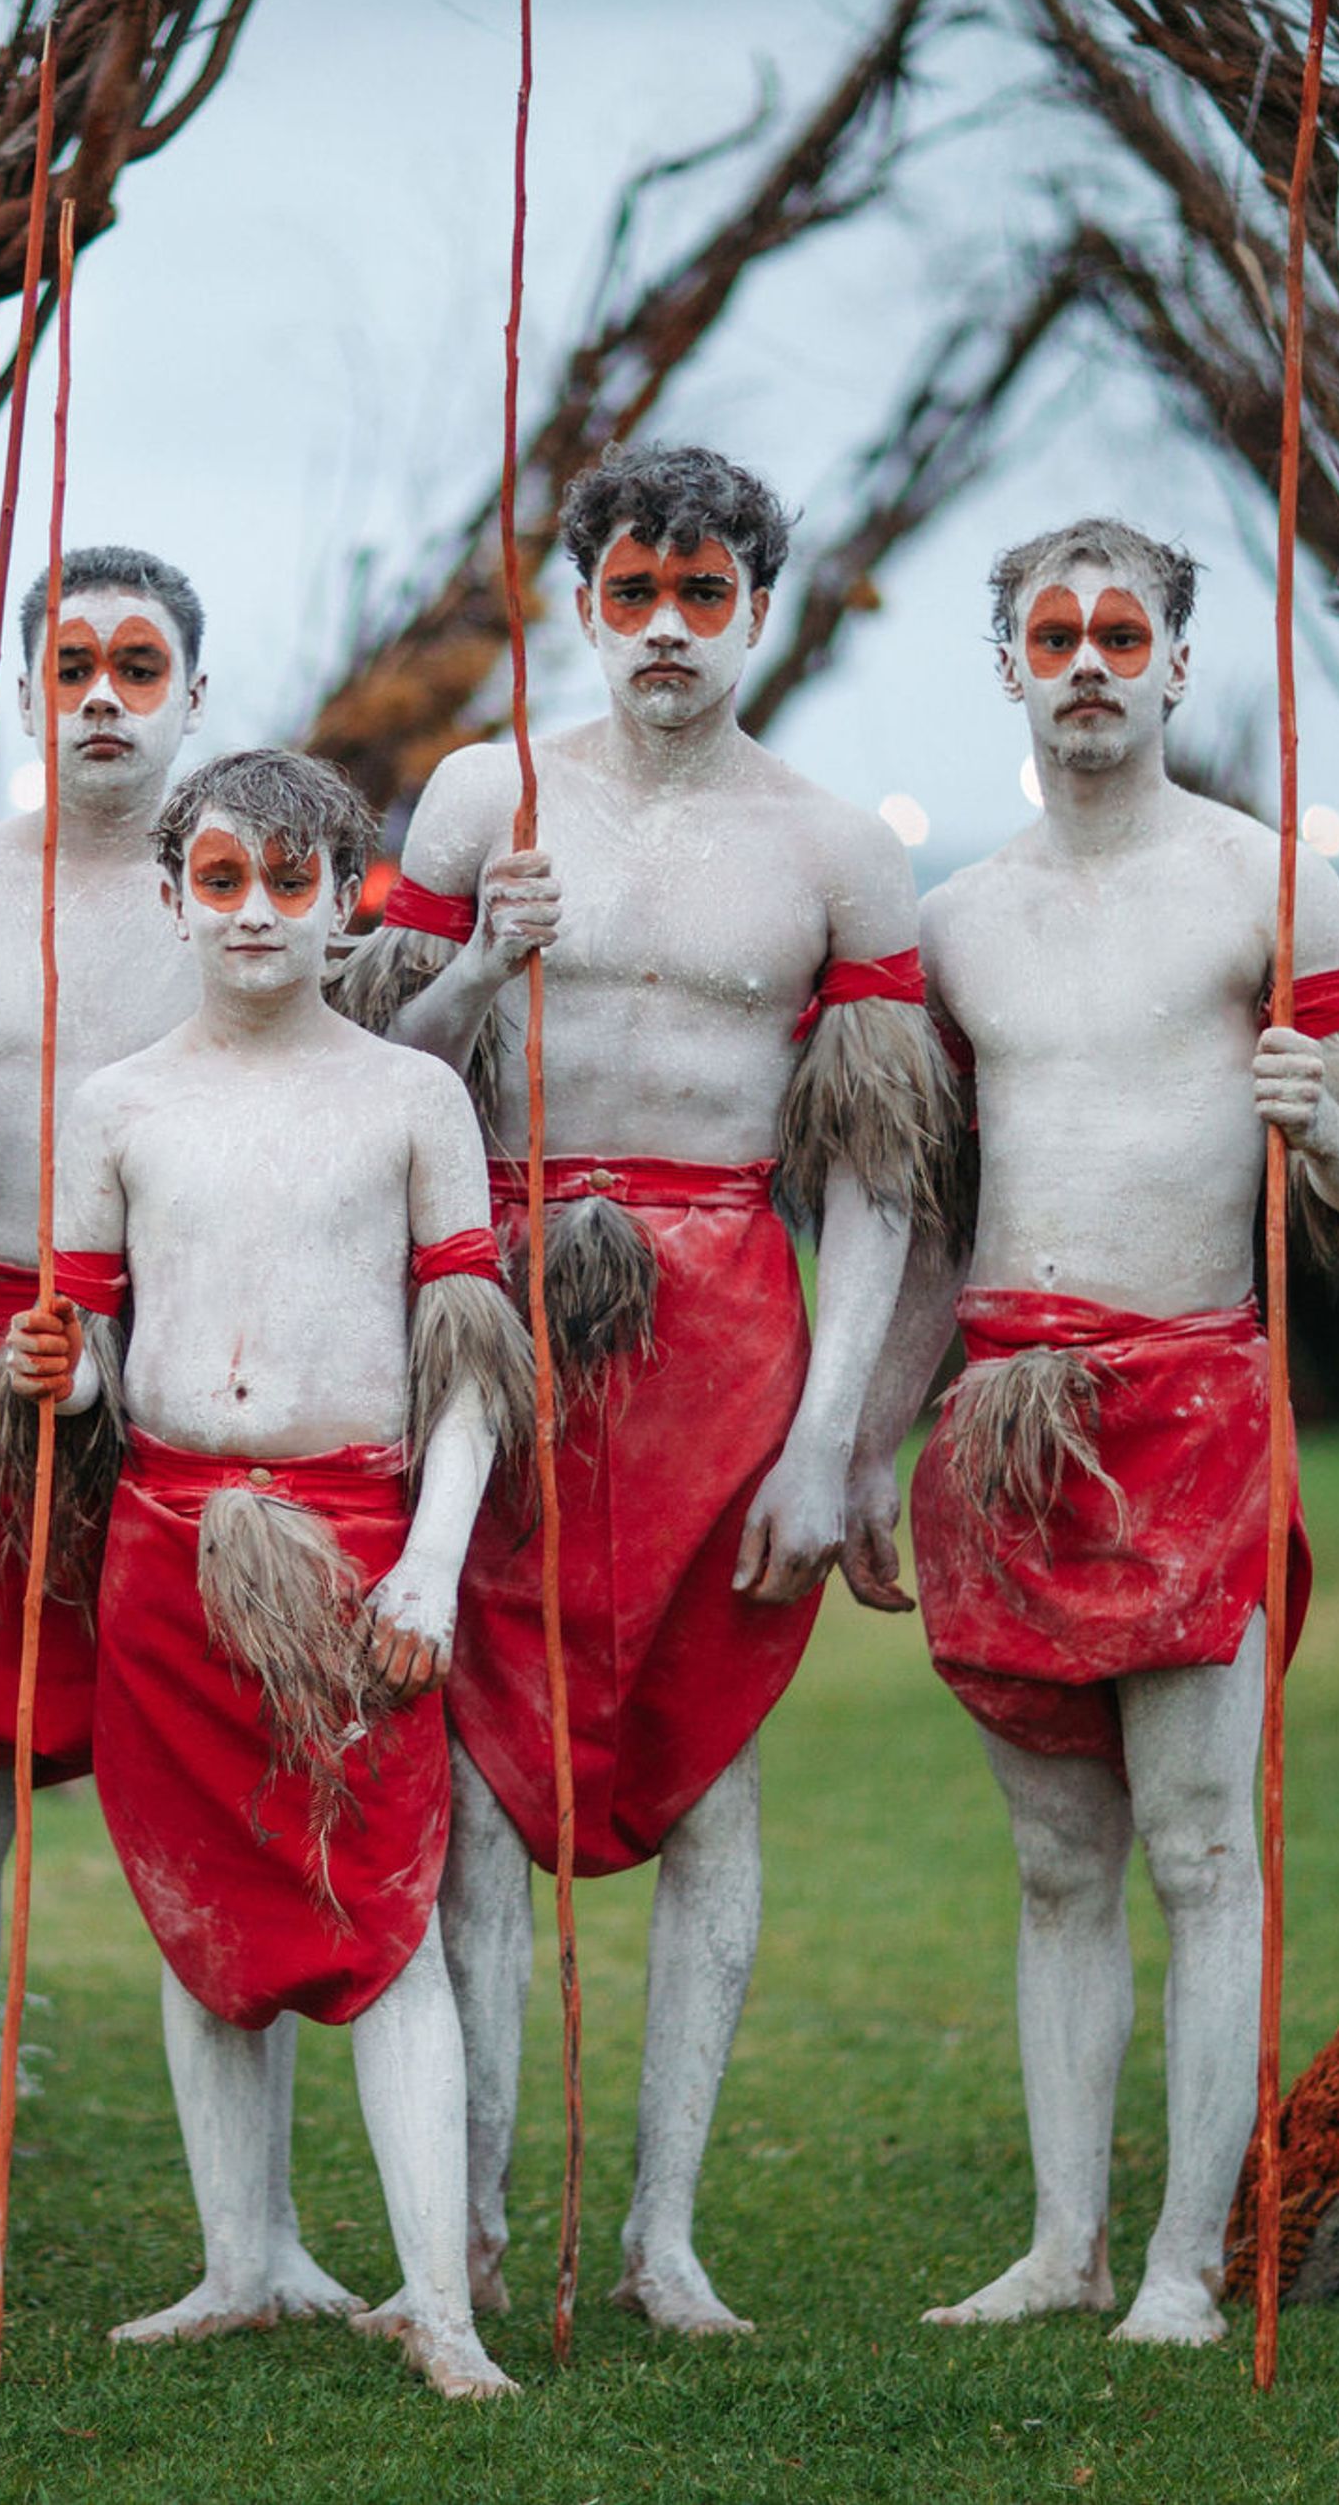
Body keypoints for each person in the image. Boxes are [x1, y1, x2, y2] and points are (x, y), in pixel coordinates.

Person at [337, 444, 944, 2332]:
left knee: (711, 1783)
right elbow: (374, 1056)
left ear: (757, 608)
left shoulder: (835, 848)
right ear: (580, 600)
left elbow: (871, 1168)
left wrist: (837, 1442)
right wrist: (474, 968)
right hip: (499, 1305)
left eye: (702, 595)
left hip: (722, 1331)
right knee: (476, 1770)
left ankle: (662, 2234)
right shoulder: (475, 794)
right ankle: (478, 2223)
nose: (665, 629)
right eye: (629, 592)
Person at [848, 517, 1339, 2345]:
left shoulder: (1268, 888)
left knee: (1199, 1849)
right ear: (1012, 665)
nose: (1090, 659)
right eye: (1056, 632)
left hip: (1190, 1394)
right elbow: (929, 1225)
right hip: (1004, 1415)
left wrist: (1321, 1118)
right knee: (1053, 1860)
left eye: (1124, 631)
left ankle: (1182, 2261)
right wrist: (868, 1440)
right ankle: (1062, 2244)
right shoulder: (953, 921)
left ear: (1178, 663)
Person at [0, 550, 354, 2321]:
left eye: (135, 664)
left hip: (195, 1367)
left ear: (192, 687)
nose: (100, 693)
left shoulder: (235, 883)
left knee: (218, 1803)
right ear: (24, 687)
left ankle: (251, 2242)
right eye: (69, 663)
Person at [12, 746, 528, 2398]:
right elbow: (96, 1340)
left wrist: (430, 1567)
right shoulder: (116, 1102)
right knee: (199, 1909)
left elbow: (465, 1362)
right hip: (167, 1549)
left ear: (345, 900)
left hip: (353, 1544)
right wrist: (61, 1372)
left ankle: (434, 2296)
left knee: (386, 1920)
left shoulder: (405, 1094)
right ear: (168, 899)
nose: (253, 909)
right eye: (220, 878)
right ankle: (239, 2258)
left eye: (287, 878)